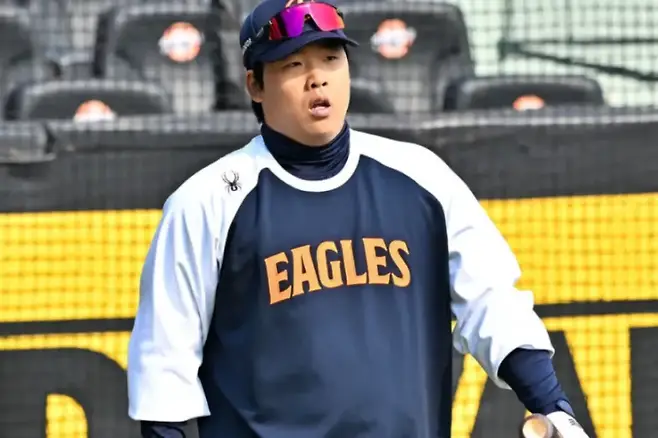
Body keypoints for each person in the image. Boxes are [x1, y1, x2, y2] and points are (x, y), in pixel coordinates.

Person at [127, 0, 590, 437]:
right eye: (293, 65)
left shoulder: (421, 177)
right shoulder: (207, 201)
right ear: (255, 85)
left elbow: (492, 304)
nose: (317, 80)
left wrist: (552, 405)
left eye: (331, 59)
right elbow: (164, 366)